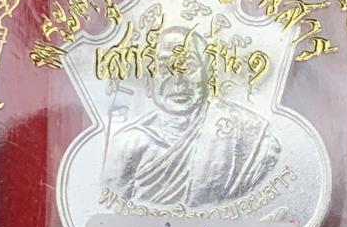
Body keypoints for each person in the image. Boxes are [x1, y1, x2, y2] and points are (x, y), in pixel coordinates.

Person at [103, 25, 280, 208]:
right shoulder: (127, 143)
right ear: (148, 82)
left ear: (209, 76)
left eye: (190, 66)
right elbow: (108, 206)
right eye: (164, 68)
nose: (178, 80)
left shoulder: (247, 133)